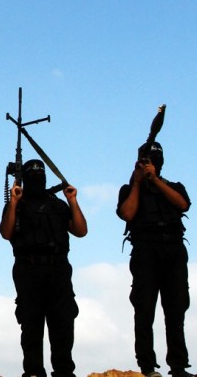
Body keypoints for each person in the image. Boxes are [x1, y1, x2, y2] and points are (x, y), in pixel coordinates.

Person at [0, 159, 87, 377]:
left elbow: (81, 230)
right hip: (28, 270)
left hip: (58, 270)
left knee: (63, 323)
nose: (38, 177)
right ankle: (33, 372)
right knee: (31, 325)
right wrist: (13, 202)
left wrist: (72, 200)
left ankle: (64, 372)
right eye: (33, 173)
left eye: (41, 173)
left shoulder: (58, 205)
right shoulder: (18, 204)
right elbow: (6, 233)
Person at [117, 142, 192, 377]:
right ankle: (147, 366)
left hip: (174, 249)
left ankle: (178, 366)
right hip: (145, 250)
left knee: (176, 309)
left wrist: (156, 180)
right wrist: (138, 182)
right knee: (144, 309)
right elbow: (127, 213)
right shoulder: (128, 189)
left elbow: (183, 204)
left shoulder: (174, 186)